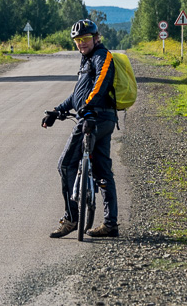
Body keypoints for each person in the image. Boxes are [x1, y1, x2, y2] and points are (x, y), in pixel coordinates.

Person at [42, 19, 119, 238]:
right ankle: (110, 224)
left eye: (85, 39)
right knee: (103, 171)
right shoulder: (86, 61)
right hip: (97, 117)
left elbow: (102, 82)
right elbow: (78, 94)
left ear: (96, 38)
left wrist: (87, 109)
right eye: (78, 40)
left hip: (97, 117)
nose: (81, 43)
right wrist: (57, 111)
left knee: (66, 165)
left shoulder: (102, 56)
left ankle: (71, 219)